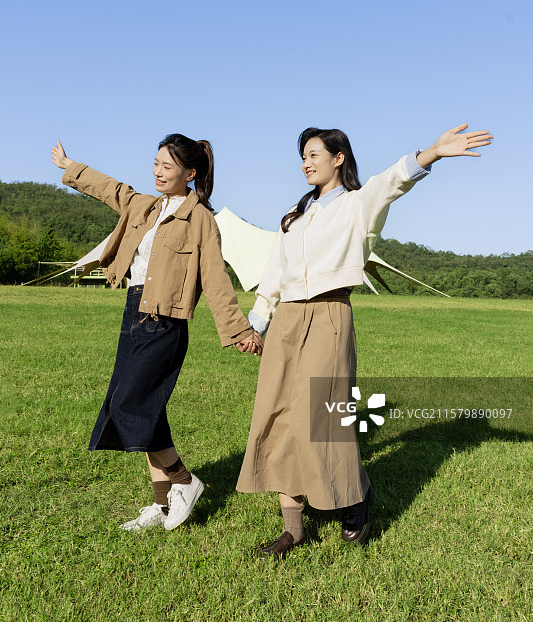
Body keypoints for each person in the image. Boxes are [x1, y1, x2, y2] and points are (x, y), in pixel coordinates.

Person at [236, 123, 493, 558]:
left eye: (315, 153)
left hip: (329, 315)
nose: (306, 161)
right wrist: (257, 323)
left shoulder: (357, 205)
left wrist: (432, 153)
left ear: (338, 158)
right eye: (303, 155)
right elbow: (275, 276)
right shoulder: (294, 218)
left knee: (322, 417)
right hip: (286, 322)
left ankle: (355, 497)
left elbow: (392, 181)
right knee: (277, 415)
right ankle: (293, 528)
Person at [51, 136, 262, 532]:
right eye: (155, 163)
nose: (157, 171)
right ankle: (162, 505)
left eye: (167, 166)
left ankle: (185, 480)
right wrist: (70, 166)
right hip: (133, 314)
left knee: (130, 404)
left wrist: (239, 329)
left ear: (190, 172)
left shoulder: (200, 219)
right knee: (148, 407)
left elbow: (215, 279)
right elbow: (111, 189)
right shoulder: (144, 206)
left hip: (165, 323)